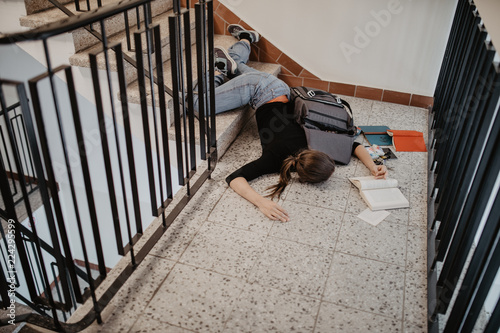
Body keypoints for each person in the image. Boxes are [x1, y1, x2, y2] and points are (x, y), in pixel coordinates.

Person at [196, 24, 387, 222]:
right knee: (197, 105)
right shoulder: (275, 160)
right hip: (259, 90)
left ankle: (245, 39)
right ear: (303, 178)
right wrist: (262, 202)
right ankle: (218, 75)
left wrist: (373, 167)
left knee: (235, 65)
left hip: (279, 88)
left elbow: (355, 146)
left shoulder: (319, 145)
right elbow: (234, 178)